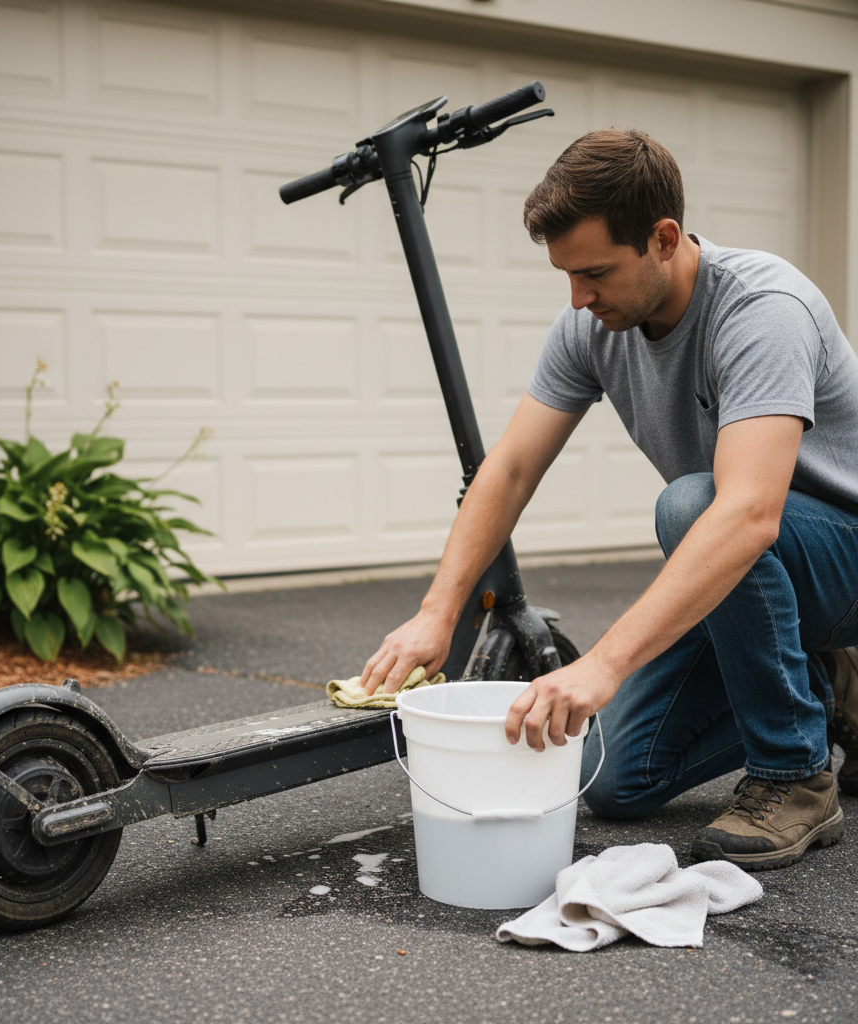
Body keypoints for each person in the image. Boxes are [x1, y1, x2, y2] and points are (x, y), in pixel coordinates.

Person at [358, 128, 858, 871]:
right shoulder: (590, 325)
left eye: (594, 272)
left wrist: (605, 664)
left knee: (692, 505)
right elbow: (511, 470)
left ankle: (796, 773)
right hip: (753, 573)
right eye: (565, 275)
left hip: (837, 555)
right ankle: (828, 690)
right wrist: (438, 612)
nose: (578, 297)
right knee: (620, 780)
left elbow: (749, 513)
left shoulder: (762, 307)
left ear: (663, 238)